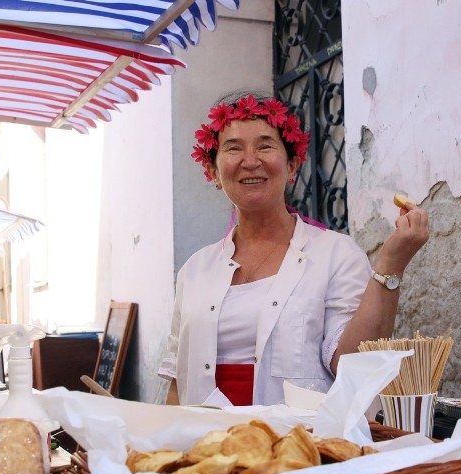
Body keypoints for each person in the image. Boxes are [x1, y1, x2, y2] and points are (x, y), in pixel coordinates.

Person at [158, 91, 429, 406]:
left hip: (299, 447)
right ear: (214, 172)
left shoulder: (335, 255)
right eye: (233, 148)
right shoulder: (195, 270)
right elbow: (179, 382)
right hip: (206, 449)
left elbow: (353, 366)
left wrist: (391, 265)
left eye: (265, 145)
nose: (250, 160)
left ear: (293, 165)